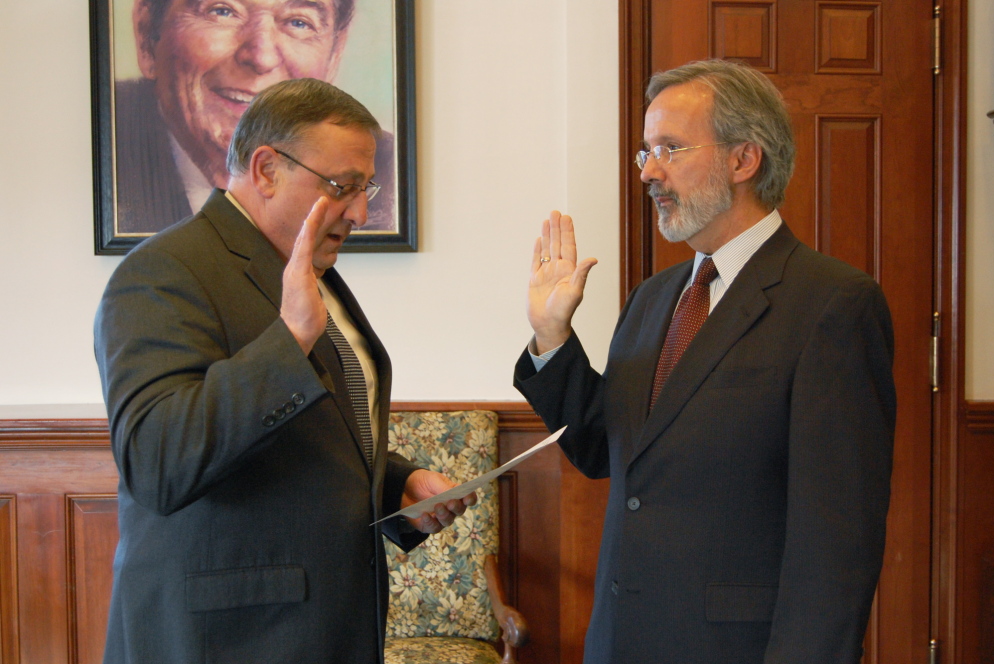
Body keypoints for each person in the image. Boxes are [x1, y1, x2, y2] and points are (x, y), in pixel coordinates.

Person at [514, 59, 895, 663]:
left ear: (743, 160)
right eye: (646, 152)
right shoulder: (651, 299)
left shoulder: (834, 305)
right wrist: (551, 337)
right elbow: (602, 450)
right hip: (620, 642)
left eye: (669, 148)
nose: (649, 172)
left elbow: (837, 547)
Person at [95, 78, 470, 664]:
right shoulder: (163, 273)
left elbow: (304, 441)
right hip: (226, 640)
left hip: (326, 627)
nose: (362, 211)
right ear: (266, 169)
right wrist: (289, 339)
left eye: (366, 187)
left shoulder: (309, 272)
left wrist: (396, 486)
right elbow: (158, 462)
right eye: (342, 187)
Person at [114, 0, 396, 234]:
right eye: (222, 10)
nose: (261, 57)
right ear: (147, 34)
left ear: (335, 55)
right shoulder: (109, 149)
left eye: (299, 22)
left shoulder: (382, 167)